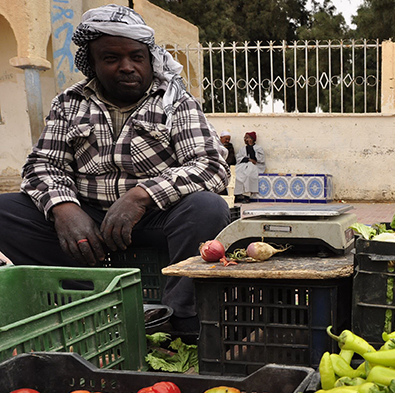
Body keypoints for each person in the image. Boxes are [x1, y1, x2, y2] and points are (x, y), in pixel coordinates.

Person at [0, 4, 231, 335]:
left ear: (149, 58)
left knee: (207, 207)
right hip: (87, 222)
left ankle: (181, 321)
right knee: (6, 211)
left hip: (154, 219)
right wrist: (64, 208)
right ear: (93, 64)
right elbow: (42, 165)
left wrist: (141, 196)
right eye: (111, 59)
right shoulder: (69, 103)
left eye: (137, 57)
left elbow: (210, 166)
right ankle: (81, 300)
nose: (127, 67)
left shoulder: (175, 102)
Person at [234, 131, 266, 203]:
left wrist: (251, 147)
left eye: (247, 138)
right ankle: (236, 194)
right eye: (245, 138)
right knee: (236, 173)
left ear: (252, 139)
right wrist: (248, 159)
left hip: (255, 166)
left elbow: (260, 159)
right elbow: (239, 158)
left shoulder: (258, 148)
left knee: (248, 175)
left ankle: (246, 196)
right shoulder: (242, 149)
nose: (246, 139)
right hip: (243, 165)